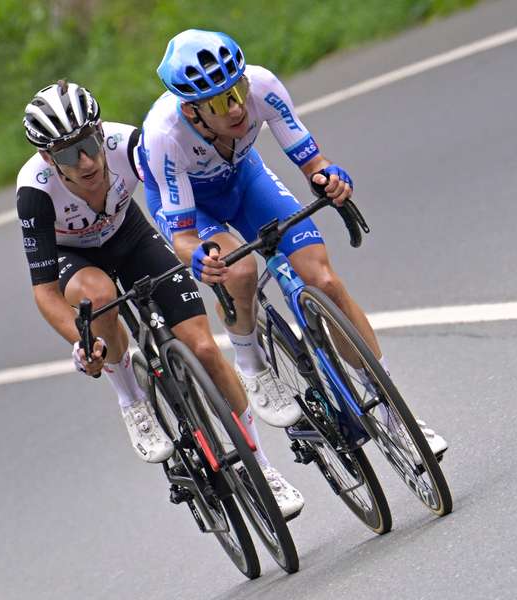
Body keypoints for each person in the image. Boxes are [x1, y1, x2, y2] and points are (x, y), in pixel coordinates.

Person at [139, 30, 447, 457]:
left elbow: (313, 162)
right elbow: (185, 237)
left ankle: (397, 412)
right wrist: (202, 261)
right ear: (192, 113)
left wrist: (330, 179)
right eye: (218, 103)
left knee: (324, 281)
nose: (235, 109)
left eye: (237, 91)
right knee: (239, 270)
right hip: (194, 208)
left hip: (245, 179)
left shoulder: (262, 85)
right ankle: (250, 361)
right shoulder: (163, 137)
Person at [16, 80, 304, 517]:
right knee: (100, 296)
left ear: (100, 132)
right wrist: (81, 341)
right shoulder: (35, 192)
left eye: (89, 144)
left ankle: (262, 467)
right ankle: (131, 398)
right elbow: (44, 292)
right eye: (69, 154)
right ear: (47, 158)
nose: (87, 160)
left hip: (130, 235)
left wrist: (198, 252)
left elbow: (172, 205)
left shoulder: (128, 144)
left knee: (204, 347)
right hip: (73, 257)